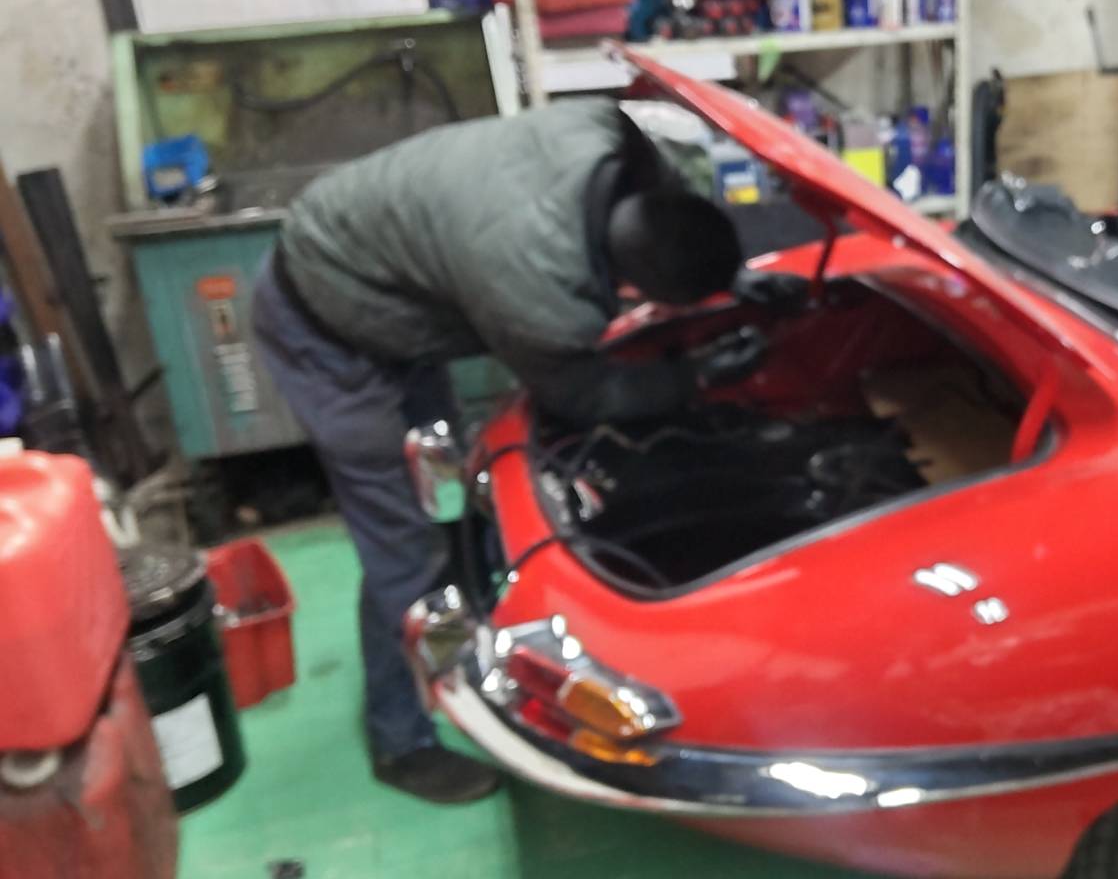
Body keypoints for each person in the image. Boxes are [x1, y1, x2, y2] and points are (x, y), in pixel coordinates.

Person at [251, 98, 802, 803]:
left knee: (450, 498)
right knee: (405, 544)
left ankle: (469, 639)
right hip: (327, 334)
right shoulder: (534, 283)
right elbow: (586, 394)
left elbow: (667, 228)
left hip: (386, 273)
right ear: (630, 288)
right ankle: (403, 742)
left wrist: (733, 282)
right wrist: (695, 378)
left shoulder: (616, 140)